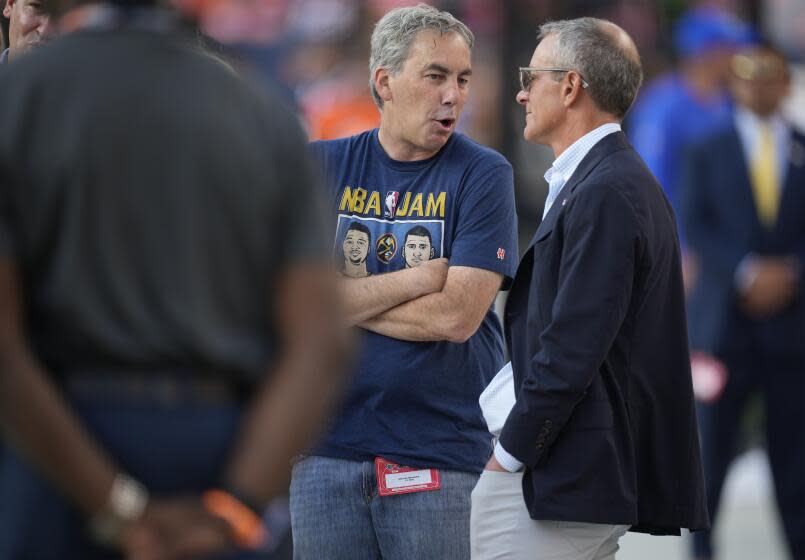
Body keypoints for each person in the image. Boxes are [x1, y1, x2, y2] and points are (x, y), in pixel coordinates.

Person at [0, 0, 348, 558]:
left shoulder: (22, 96)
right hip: (214, 451)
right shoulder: (259, 109)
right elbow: (323, 341)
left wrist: (119, 511)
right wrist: (234, 508)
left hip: (57, 456)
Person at [471, 18, 709, 560]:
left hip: (564, 474)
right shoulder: (606, 180)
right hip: (576, 471)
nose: (521, 91)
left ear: (572, 86)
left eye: (533, 76)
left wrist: (509, 455)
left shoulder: (608, 189)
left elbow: (572, 347)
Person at [291, 4, 518, 559]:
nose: (454, 95)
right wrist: (416, 279)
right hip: (325, 450)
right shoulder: (320, 166)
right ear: (385, 82)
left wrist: (340, 300)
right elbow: (289, 304)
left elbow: (455, 317)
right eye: (435, 75)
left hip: (438, 457)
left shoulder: (484, 174)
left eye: (463, 79)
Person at [682, 44, 805, 560]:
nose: (759, 89)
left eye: (770, 79)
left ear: (785, 86)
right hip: (725, 327)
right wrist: (747, 271)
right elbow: (695, 223)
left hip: (796, 330)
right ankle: (702, 552)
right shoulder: (707, 150)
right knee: (712, 457)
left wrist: (792, 270)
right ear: (736, 87)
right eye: (748, 81)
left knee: (794, 461)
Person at [628, 7, 751, 291]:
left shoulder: (729, 103)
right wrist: (678, 251)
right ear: (709, 53)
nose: (738, 57)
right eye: (730, 49)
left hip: (723, 250)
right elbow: (650, 183)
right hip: (679, 252)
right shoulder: (664, 105)